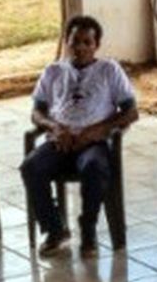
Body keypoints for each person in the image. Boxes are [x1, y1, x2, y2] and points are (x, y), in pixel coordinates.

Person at [21, 15, 139, 259]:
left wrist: (99, 130)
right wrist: (54, 128)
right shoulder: (53, 71)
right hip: (60, 141)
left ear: (96, 45)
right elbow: (37, 112)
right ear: (66, 41)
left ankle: (88, 231)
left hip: (93, 143)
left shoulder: (109, 70)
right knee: (31, 167)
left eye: (87, 42)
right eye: (75, 41)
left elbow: (131, 112)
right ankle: (55, 229)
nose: (80, 48)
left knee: (93, 167)